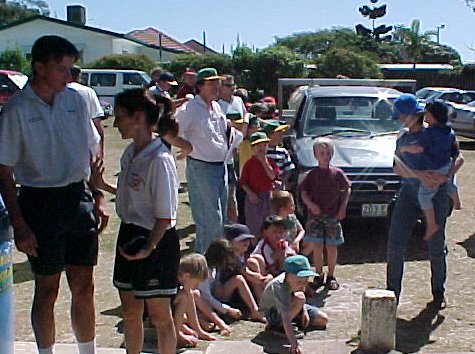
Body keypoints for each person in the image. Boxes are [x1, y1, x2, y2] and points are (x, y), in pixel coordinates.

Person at [0, 35, 108, 354]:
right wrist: (19, 224)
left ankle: (86, 350)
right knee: (47, 289)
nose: (68, 75)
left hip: (77, 197)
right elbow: (3, 171)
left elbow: (92, 153)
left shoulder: (76, 100)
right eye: (62, 68)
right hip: (39, 201)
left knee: (84, 284)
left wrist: (97, 197)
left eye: (71, 68)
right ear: (40, 67)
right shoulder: (16, 110)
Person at [92, 88, 179, 354]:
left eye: (120, 117)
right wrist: (101, 185)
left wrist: (149, 248)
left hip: (156, 240)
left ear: (138, 117)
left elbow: (164, 215)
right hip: (130, 235)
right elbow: (133, 195)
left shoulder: (160, 159)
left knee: (160, 316)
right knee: (131, 312)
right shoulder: (130, 153)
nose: (115, 123)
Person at [386, 93, 464, 308]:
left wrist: (446, 176)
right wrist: (419, 175)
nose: (401, 120)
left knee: (436, 244)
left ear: (414, 115)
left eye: (402, 116)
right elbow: (396, 168)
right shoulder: (402, 138)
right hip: (409, 194)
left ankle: (438, 291)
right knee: (395, 242)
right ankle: (392, 292)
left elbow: (459, 157)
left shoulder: (438, 133)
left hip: (436, 194)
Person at [177, 67, 229, 253]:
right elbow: (169, 131)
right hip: (201, 167)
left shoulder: (216, 107)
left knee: (220, 219)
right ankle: (203, 266)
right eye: (212, 83)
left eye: (218, 82)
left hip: (220, 167)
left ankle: (212, 264)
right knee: (210, 221)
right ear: (200, 86)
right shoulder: (190, 108)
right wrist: (186, 147)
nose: (217, 86)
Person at [398, 100, 463, 240]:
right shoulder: (448, 131)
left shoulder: (428, 133)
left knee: (424, 196)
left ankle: (431, 224)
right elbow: (457, 155)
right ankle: (456, 200)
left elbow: (418, 148)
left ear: (434, 116)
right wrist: (446, 175)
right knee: (450, 185)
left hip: (434, 169)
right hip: (445, 166)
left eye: (427, 114)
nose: (425, 117)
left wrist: (405, 148)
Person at [299, 138, 351, 291]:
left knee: (331, 246)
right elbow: (303, 192)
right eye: (322, 153)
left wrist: (343, 207)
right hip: (315, 216)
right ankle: (318, 274)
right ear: (315, 155)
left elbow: (347, 188)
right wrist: (311, 204)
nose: (325, 156)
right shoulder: (312, 174)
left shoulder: (337, 173)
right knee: (316, 245)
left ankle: (331, 275)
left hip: (332, 215)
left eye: (328, 153)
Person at [259, 255, 329, 354]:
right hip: (274, 312)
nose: (303, 284)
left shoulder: (299, 283)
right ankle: (278, 327)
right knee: (300, 298)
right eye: (299, 281)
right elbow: (286, 317)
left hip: (293, 303)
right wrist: (294, 344)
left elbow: (301, 294)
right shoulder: (279, 286)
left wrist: (304, 311)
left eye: (305, 280)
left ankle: (294, 322)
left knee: (323, 320)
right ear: (287, 275)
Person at [240, 132, 279, 235]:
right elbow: (243, 182)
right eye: (258, 146)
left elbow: (272, 176)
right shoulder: (249, 164)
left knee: (270, 223)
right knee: (254, 225)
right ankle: (253, 245)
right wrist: (250, 193)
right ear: (252, 148)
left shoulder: (270, 162)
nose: (262, 148)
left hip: (268, 196)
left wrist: (264, 162)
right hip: (254, 197)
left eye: (264, 145)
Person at [175, 253, 216, 348]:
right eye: (196, 283)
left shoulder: (182, 285)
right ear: (186, 276)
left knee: (188, 293)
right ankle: (176, 333)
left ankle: (198, 329)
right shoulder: (171, 282)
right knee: (184, 296)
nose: (196, 286)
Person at [224, 223, 273, 302]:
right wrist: (264, 280)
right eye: (241, 240)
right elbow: (248, 274)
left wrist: (267, 278)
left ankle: (263, 300)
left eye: (247, 239)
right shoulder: (230, 257)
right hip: (232, 293)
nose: (246, 242)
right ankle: (262, 304)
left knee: (256, 259)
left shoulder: (245, 255)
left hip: (248, 288)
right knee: (251, 264)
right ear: (230, 242)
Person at [68, 65, 105, 157]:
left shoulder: (58, 92)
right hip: (87, 143)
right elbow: (96, 121)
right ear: (78, 76)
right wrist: (101, 150)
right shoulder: (88, 92)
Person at [262, 120, 295, 190]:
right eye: (279, 134)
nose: (282, 137)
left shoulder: (283, 152)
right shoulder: (262, 152)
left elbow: (289, 168)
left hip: (279, 185)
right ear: (269, 135)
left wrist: (284, 180)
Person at [225, 110, 244, 223]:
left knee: (231, 200)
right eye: (237, 123)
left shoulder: (238, 135)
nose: (240, 126)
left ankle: (234, 224)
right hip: (223, 166)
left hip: (230, 167)